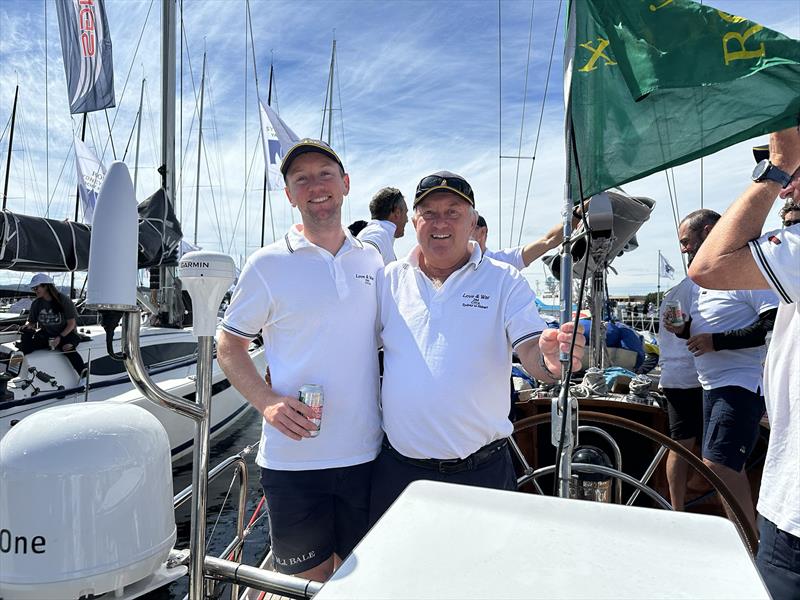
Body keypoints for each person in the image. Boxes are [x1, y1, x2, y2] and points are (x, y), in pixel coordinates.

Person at [370, 170, 585, 523]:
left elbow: (530, 348)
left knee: (483, 575)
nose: (441, 222)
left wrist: (550, 361)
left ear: (472, 223)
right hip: (399, 473)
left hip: (483, 474)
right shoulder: (387, 280)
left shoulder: (504, 280)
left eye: (453, 211)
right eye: (430, 212)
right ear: (413, 221)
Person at [217, 139, 383, 583]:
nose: (316, 186)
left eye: (325, 174)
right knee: (307, 585)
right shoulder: (266, 264)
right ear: (290, 194)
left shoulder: (373, 260)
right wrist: (266, 401)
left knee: (361, 582)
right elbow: (229, 344)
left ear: (345, 184)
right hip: (294, 463)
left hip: (368, 456)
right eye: (301, 179)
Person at [689, 127, 800, 599]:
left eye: (798, 171)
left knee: (718, 463)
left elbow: (710, 266)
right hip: (709, 388)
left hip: (793, 513)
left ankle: (737, 538)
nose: (788, 189)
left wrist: (774, 169)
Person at [665, 208, 778, 535]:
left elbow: (770, 325)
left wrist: (716, 341)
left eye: (687, 241)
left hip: (741, 385)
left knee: (719, 466)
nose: (684, 248)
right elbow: (707, 328)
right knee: (722, 466)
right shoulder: (704, 282)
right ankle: (747, 541)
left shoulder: (745, 271)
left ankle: (751, 546)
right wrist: (684, 329)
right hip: (711, 387)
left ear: (710, 231)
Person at [657, 276, 702, 510]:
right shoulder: (701, 288)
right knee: (684, 445)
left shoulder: (674, 292)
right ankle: (680, 508)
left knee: (682, 444)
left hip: (675, 376)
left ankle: (679, 508)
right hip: (691, 376)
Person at [471, 201, 587, 269]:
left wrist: (577, 214)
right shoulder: (454, 266)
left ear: (482, 232)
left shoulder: (503, 262)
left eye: (470, 227)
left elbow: (549, 241)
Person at [19, 273, 86, 376]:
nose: (35, 290)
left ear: (46, 286)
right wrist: (27, 326)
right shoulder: (36, 303)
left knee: (67, 348)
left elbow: (71, 324)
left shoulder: (63, 300)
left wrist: (60, 337)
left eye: (36, 288)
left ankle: (83, 374)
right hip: (47, 335)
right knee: (26, 348)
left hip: (67, 334)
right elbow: (32, 322)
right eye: (33, 288)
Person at [356, 186, 408, 264]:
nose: (407, 220)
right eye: (405, 213)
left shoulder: (380, 234)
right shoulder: (377, 234)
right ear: (397, 213)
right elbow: (360, 260)